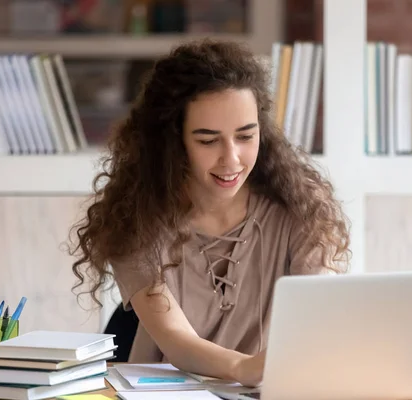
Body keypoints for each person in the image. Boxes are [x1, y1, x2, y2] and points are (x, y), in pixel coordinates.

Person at [69, 39, 351, 388]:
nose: (231, 159)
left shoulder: (299, 210)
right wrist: (242, 368)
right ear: (173, 142)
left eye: (246, 136)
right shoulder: (136, 220)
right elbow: (176, 341)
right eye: (208, 141)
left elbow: (316, 314)